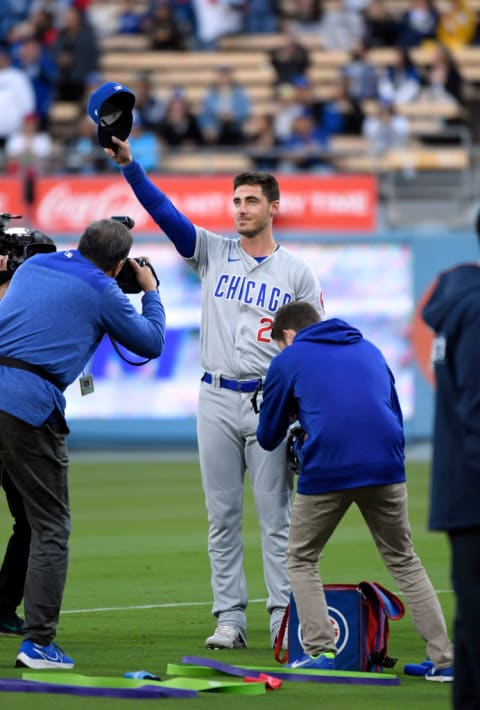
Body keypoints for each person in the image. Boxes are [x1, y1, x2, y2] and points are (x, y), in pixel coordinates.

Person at [105, 134, 324, 650]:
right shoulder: (214, 252)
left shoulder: (297, 271)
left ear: (274, 207)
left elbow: (311, 347)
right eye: (236, 200)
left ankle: (282, 619)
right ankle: (229, 617)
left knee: (277, 519)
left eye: (251, 201)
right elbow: (166, 214)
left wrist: (306, 411)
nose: (241, 209)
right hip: (217, 398)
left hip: (271, 403)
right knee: (221, 515)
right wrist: (131, 168)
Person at [256, 301, 454, 678]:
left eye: (279, 344)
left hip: (329, 466)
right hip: (387, 465)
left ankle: (320, 652)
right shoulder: (370, 349)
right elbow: (391, 412)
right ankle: (445, 659)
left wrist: (297, 427)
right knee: (404, 560)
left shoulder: (290, 357)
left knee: (301, 558)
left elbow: (267, 437)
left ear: (290, 335)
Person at [0, 219, 166, 669]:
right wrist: (149, 292)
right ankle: (38, 644)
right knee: (51, 525)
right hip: (28, 406)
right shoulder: (104, 290)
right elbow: (150, 343)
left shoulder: (34, 268)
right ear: (117, 265)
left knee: (27, 519)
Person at [422, 218, 480, 708]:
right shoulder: (478, 309)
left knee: (472, 624)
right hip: (475, 493)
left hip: (461, 493)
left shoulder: (458, 304)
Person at [0, 254, 30, 637]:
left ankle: (4, 606)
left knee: (32, 522)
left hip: (18, 417)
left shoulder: (28, 295)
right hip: (17, 418)